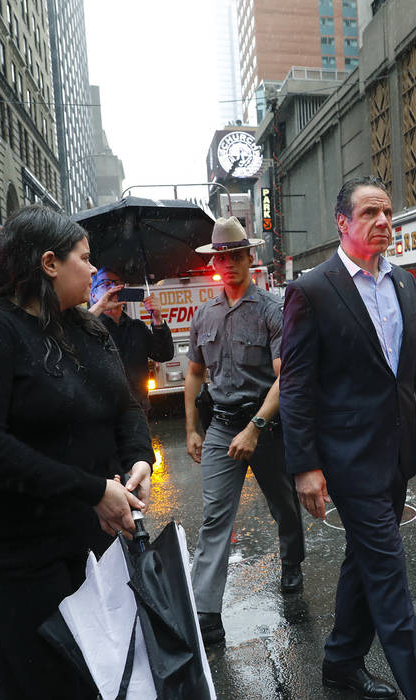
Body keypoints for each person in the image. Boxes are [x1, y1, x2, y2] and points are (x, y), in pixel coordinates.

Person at [0, 206, 154, 699]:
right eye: (85, 259)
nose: (93, 271)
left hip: (81, 527)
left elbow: (124, 405)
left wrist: (139, 459)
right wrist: (93, 490)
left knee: (101, 668)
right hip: (9, 541)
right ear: (49, 263)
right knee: (43, 675)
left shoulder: (86, 328)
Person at [279, 177, 416, 700]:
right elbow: (295, 387)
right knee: (387, 571)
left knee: (362, 561)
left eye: (388, 213)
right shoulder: (312, 290)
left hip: (396, 455)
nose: (384, 222)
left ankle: (341, 663)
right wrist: (305, 466)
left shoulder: (404, 284)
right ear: (342, 223)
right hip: (346, 458)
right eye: (370, 213)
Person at [183, 216, 305, 646]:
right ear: (215, 262)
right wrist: (192, 429)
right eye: (222, 256)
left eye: (236, 255)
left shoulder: (272, 310)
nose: (229, 263)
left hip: (266, 427)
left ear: (250, 258)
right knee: (216, 517)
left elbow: (284, 377)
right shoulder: (205, 315)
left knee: (285, 506)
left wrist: (256, 428)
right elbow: (195, 373)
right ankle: (207, 612)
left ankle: (292, 563)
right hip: (221, 427)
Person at [88, 267, 174, 411]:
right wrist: (101, 307)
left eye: (118, 283)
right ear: (94, 294)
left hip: (138, 408)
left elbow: (164, 354)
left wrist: (157, 318)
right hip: (102, 411)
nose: (114, 287)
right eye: (106, 283)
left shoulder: (136, 327)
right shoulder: (89, 327)